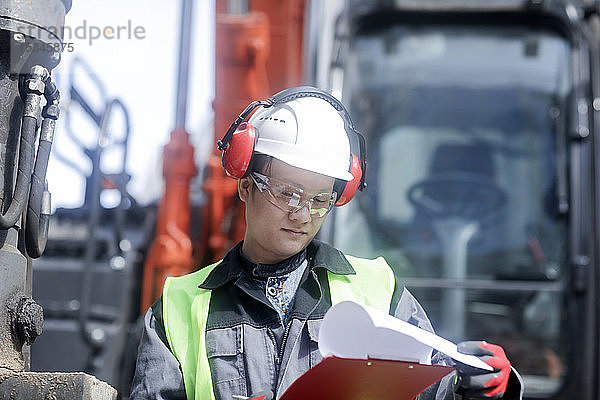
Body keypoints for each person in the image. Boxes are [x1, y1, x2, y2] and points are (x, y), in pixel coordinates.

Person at [130, 86, 523, 400]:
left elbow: (433, 391)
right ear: (246, 187)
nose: (302, 215)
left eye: (320, 200)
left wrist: (478, 387)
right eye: (287, 194)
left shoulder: (378, 292)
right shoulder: (179, 307)